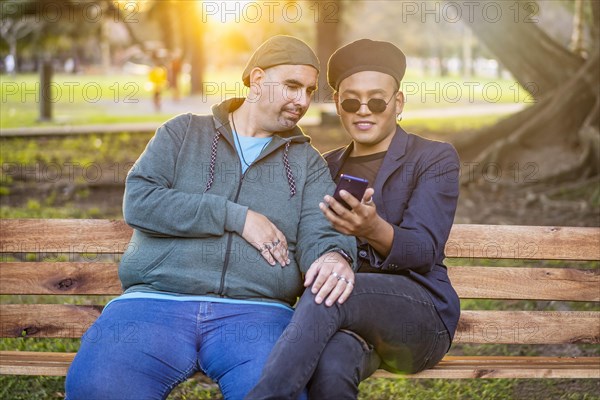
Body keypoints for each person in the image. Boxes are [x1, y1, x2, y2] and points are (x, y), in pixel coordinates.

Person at [65, 35, 357, 400]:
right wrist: (236, 216)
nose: (302, 101)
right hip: (154, 304)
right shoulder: (183, 132)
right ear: (257, 79)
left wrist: (333, 254)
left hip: (258, 314)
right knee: (98, 389)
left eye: (310, 91)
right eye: (292, 86)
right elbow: (140, 201)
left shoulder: (307, 163)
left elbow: (322, 231)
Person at [247, 39, 461, 399]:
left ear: (399, 103)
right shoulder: (321, 167)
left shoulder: (433, 159)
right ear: (338, 105)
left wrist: (372, 229)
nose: (364, 110)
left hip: (419, 318)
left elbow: (424, 250)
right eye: (350, 101)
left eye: (377, 100)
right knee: (331, 367)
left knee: (331, 288)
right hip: (348, 327)